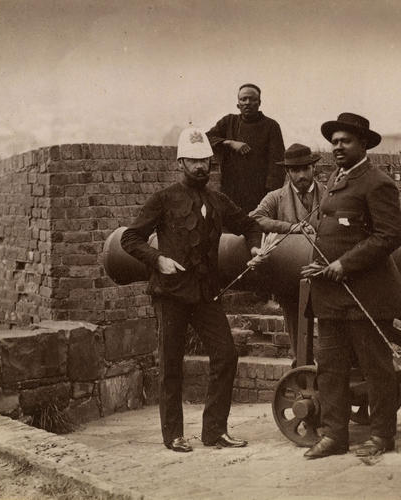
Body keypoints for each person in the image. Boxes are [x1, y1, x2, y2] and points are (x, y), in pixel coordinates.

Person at [121, 127, 263, 452]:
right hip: (170, 293)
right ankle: (173, 435)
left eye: (205, 161)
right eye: (193, 161)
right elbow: (131, 238)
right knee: (171, 365)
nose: (200, 167)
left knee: (226, 354)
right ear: (180, 162)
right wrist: (158, 260)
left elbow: (250, 225)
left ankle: (214, 431)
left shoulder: (218, 200)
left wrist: (255, 248)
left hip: (206, 294)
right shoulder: (163, 199)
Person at [300, 113, 401, 459]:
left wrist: (345, 263)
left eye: (345, 141)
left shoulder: (378, 183)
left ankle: (381, 436)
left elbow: (389, 236)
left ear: (363, 144)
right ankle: (334, 436)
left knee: (376, 367)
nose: (337, 147)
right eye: (334, 141)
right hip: (330, 294)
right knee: (330, 368)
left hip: (366, 294)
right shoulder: (335, 180)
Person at [250, 143, 324, 367]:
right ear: (288, 172)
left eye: (305, 169)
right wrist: (289, 227)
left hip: (324, 270)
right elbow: (254, 218)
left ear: (313, 168)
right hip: (290, 276)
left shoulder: (329, 194)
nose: (301, 175)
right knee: (294, 319)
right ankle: (301, 365)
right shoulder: (276, 197)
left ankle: (330, 367)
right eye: (295, 170)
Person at [206, 83, 285, 214]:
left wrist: (271, 195)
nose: (247, 103)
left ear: (259, 103)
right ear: (238, 104)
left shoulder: (271, 126)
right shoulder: (228, 121)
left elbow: (277, 164)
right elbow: (207, 138)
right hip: (231, 190)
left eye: (252, 99)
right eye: (243, 99)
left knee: (257, 226)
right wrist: (230, 143)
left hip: (259, 193)